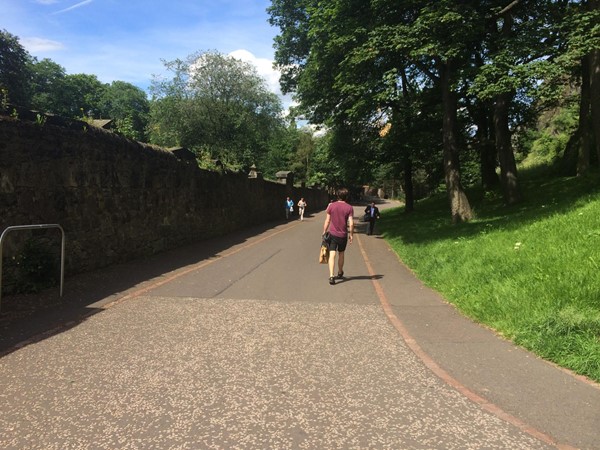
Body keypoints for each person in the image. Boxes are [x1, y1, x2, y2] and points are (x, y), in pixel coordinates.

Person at [322, 187, 354, 285]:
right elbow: (351, 223)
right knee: (341, 253)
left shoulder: (331, 206)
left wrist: (324, 231)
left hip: (332, 234)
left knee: (332, 254)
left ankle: (331, 276)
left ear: (337, 196)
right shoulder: (349, 207)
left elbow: (327, 220)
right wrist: (351, 235)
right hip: (343, 235)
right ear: (346, 197)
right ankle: (340, 272)